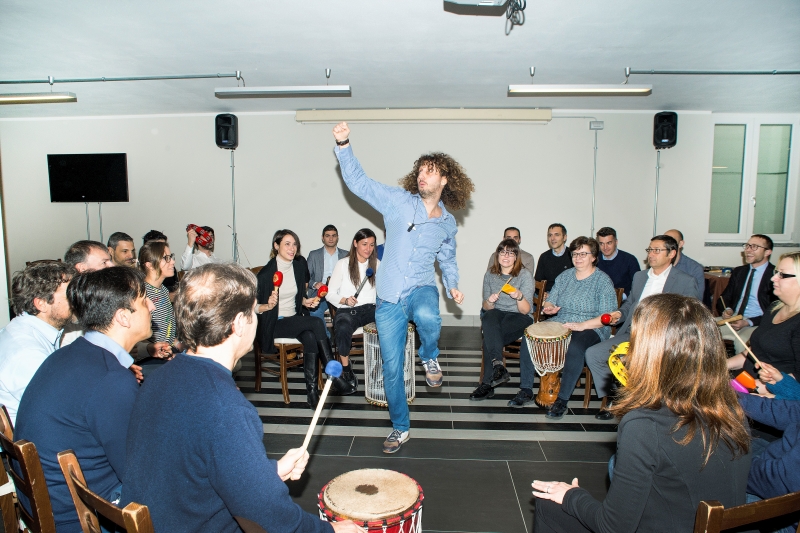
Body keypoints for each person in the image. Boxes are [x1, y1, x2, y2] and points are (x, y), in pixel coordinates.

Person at [120, 264, 363, 533]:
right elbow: (271, 517)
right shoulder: (226, 408)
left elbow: (199, 466)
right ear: (238, 324)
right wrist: (331, 531)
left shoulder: (160, 378)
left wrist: (267, 473)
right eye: (252, 311)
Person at [532, 294, 752, 533]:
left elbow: (613, 527)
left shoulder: (644, 425)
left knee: (549, 504)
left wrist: (571, 495)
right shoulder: (732, 406)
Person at [333, 121, 472, 453]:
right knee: (391, 369)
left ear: (444, 179)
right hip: (389, 298)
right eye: (420, 170)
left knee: (428, 313)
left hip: (421, 286)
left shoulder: (447, 222)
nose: (423, 175)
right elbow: (358, 183)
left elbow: (448, 258)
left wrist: (452, 285)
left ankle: (429, 358)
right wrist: (344, 144)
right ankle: (400, 427)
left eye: (431, 170)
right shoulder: (397, 201)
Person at [15, 267, 152, 532]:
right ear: (123, 317)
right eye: (144, 300)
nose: (152, 305)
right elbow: (136, 473)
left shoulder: (71, 353)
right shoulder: (109, 379)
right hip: (77, 514)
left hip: (49, 499)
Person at [586, 234, 699, 420]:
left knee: (640, 361)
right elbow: (630, 303)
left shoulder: (685, 281)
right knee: (594, 354)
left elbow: (691, 318)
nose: (651, 254)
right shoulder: (639, 277)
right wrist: (620, 314)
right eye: (649, 250)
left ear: (671, 253)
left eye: (657, 250)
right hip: (633, 333)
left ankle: (643, 401)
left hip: (662, 339)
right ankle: (617, 397)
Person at [256, 229, 353, 408]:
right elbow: (254, 307)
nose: (292, 248)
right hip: (274, 323)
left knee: (310, 337)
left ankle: (311, 392)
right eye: (287, 244)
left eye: (294, 244)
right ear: (276, 246)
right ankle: (335, 376)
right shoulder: (266, 274)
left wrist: (305, 301)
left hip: (294, 318)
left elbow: (296, 296)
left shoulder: (298, 265)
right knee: (316, 322)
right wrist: (268, 306)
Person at [530, 237, 617, 419]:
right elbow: (552, 297)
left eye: (583, 254)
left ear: (593, 257)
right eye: (575, 254)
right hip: (563, 320)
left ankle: (562, 400)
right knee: (531, 336)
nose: (578, 257)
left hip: (592, 326)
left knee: (575, 347)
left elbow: (606, 317)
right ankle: (525, 389)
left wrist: (582, 325)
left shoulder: (602, 281)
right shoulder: (565, 276)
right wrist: (549, 306)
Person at [0, 262, 73, 424]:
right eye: (70, 295)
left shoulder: (21, 328)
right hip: (36, 438)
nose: (78, 300)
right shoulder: (28, 353)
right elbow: (64, 408)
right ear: (41, 303)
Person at [471, 238, 534, 400]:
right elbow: (486, 307)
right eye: (502, 252)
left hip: (520, 316)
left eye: (510, 253)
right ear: (497, 255)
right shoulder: (490, 275)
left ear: (516, 257)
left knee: (490, 338)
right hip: (497, 314)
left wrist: (519, 296)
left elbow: (526, 310)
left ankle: (487, 384)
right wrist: (490, 302)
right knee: (489, 315)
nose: (506, 256)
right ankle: (498, 366)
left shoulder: (524, 275)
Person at [727, 251, 800, 382]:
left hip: (772, 394)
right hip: (745, 379)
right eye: (776, 272)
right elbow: (754, 353)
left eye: (782, 275)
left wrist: (762, 386)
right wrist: (722, 365)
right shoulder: (774, 308)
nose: (773, 278)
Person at [326, 228, 380, 392]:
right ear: (355, 243)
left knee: (390, 322)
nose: (368, 249)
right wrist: (345, 300)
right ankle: (346, 369)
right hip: (349, 311)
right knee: (342, 328)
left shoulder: (377, 264)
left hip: (371, 310)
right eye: (364, 244)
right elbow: (329, 294)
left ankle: (380, 368)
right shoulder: (343, 264)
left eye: (371, 245)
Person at [718, 234, 777, 353]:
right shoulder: (739, 271)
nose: (748, 250)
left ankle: (740, 371)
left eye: (754, 247)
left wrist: (748, 322)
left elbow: (776, 311)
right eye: (747, 246)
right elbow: (725, 297)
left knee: (743, 343)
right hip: (734, 317)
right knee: (700, 329)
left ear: (767, 252)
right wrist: (727, 309)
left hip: (758, 323)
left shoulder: (775, 275)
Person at [138, 241, 181, 376]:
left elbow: (167, 332)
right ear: (149, 264)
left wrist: (180, 345)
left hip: (166, 355)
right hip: (149, 359)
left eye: (171, 256)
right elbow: (137, 335)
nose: (172, 261)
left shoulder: (162, 289)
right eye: (166, 258)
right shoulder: (141, 292)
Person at [60, 240, 115, 347]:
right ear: (82, 269)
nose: (112, 266)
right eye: (104, 262)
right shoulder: (68, 307)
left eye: (110, 261)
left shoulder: (103, 295)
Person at [307, 225, 349, 339]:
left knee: (348, 315)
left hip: (340, 293)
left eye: (334, 236)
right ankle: (326, 340)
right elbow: (306, 278)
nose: (331, 238)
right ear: (322, 238)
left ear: (337, 237)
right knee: (315, 312)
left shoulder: (346, 255)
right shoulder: (314, 255)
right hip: (320, 293)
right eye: (328, 236)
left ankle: (343, 342)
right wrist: (315, 284)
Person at [595, 226, 640, 297]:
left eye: (609, 243)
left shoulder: (630, 260)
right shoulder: (594, 259)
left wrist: (622, 297)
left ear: (616, 242)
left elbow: (637, 286)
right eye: (601, 244)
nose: (605, 247)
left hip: (623, 303)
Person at [663, 229, 704, 299]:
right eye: (664, 241)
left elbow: (696, 301)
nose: (667, 245)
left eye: (671, 241)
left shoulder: (694, 269)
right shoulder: (659, 265)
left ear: (680, 244)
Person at [534, 224, 573, 294]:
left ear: (564, 237)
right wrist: (543, 294)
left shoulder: (573, 256)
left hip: (566, 295)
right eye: (550, 235)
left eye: (557, 235)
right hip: (547, 295)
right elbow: (537, 282)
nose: (553, 238)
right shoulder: (544, 257)